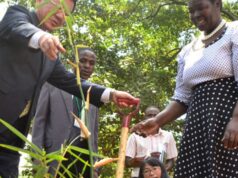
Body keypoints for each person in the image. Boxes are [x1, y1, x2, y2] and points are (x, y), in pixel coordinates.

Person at [0, 0, 138, 177]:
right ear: (39, 1)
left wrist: (111, 94)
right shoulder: (17, 14)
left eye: (66, 13)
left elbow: (72, 82)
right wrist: (41, 37)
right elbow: (18, 26)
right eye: (57, 8)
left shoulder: (50, 56)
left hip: (11, 141)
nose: (60, 16)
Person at [131, 0, 238, 177]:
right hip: (197, 128)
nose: (195, 15)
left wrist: (236, 120)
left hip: (227, 123)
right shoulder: (188, 50)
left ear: (217, 4)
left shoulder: (234, 32)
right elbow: (181, 98)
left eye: (200, 7)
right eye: (191, 11)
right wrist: (157, 121)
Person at [32, 47, 99, 177]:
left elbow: (94, 133)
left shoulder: (94, 93)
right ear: (73, 61)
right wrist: (37, 157)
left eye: (91, 63)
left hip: (84, 156)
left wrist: (95, 164)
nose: (87, 66)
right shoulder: (52, 85)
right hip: (56, 153)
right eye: (83, 61)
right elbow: (39, 122)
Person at [125, 106, 177, 178]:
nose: (152, 118)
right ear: (144, 117)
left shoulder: (168, 136)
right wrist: (147, 160)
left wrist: (160, 171)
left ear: (161, 117)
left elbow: (171, 161)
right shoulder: (135, 136)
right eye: (149, 115)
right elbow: (127, 162)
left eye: (156, 116)